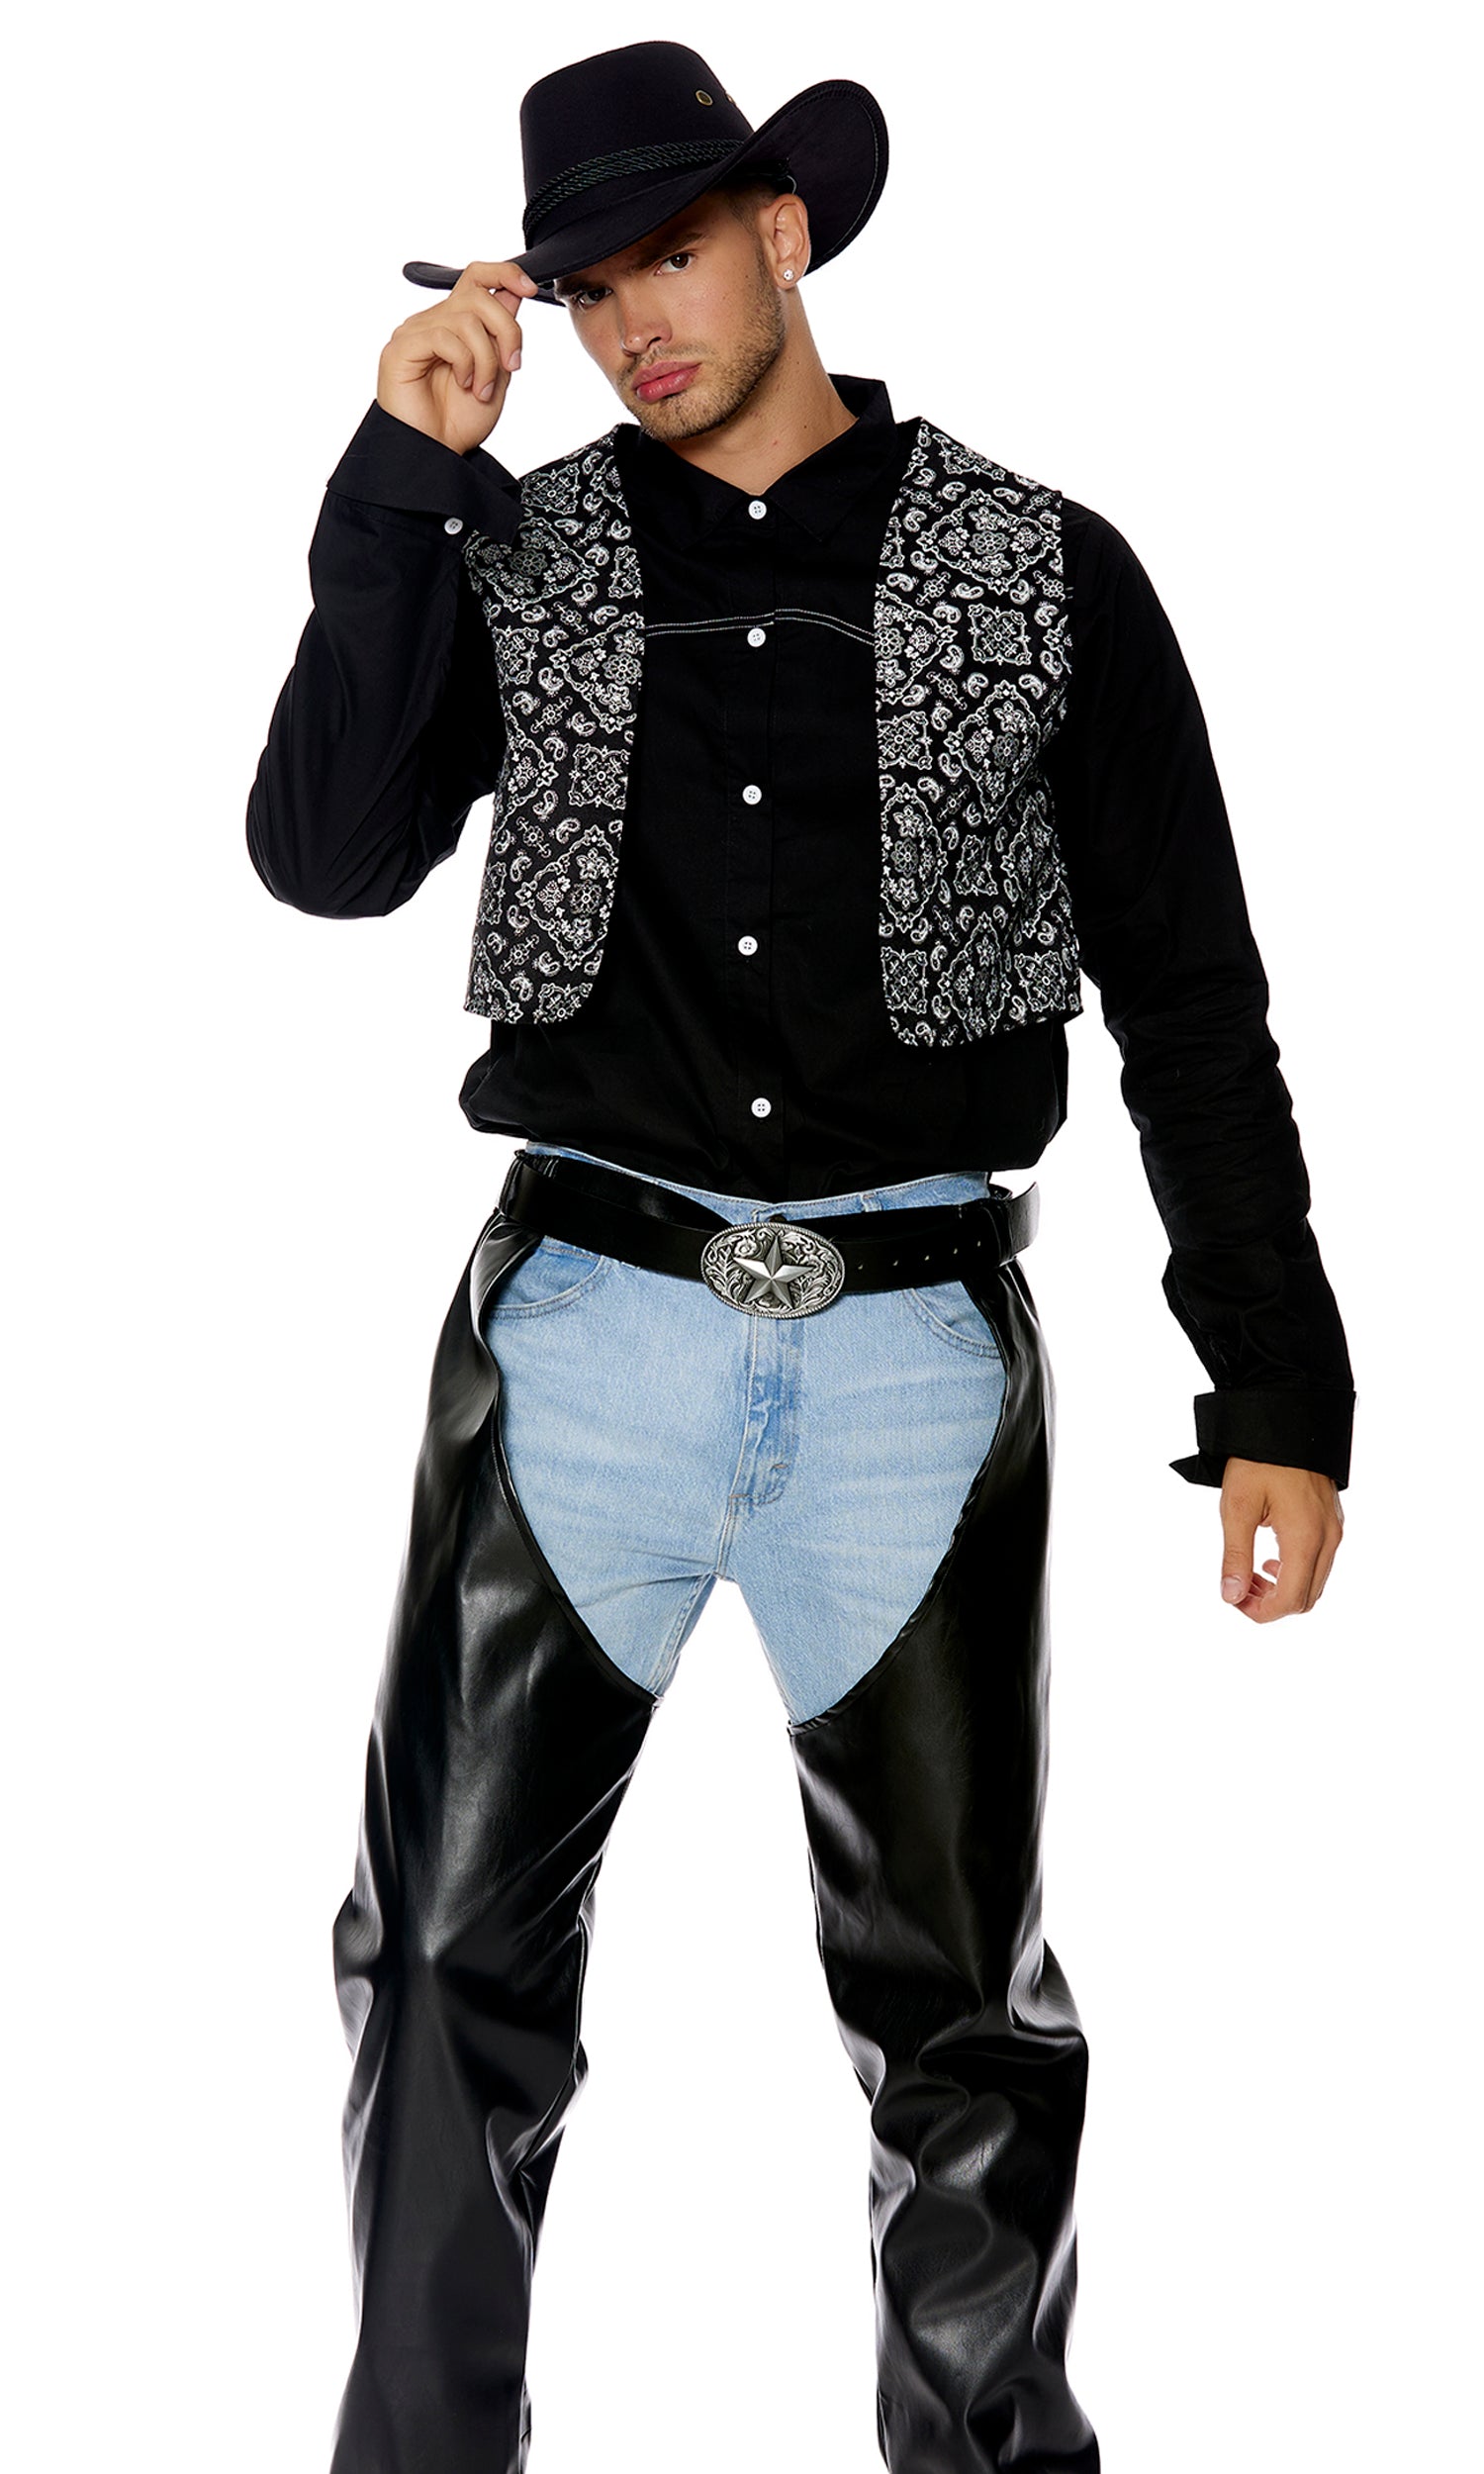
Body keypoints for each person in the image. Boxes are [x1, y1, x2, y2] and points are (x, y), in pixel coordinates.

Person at [245, 39, 1353, 2474]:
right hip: (584, 1335)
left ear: (785, 233)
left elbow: (1191, 996)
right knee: (439, 1972)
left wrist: (1280, 1384)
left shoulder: (1050, 566)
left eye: (670, 257)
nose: (632, 324)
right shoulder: (512, 547)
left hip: (911, 1365)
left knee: (964, 2023)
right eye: (584, 285)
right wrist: (404, 477)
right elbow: (324, 850)